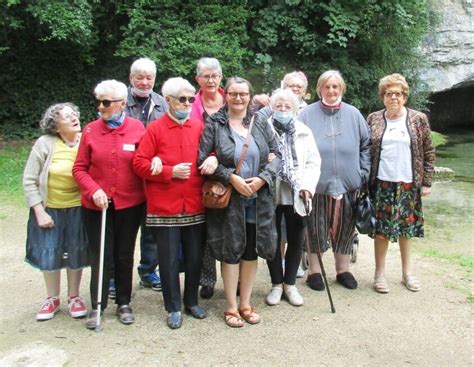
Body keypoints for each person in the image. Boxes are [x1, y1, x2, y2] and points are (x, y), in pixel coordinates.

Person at [198, 77, 280, 328]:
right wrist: (231, 178)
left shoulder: (261, 122)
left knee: (250, 250)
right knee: (230, 251)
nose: (238, 98)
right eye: (233, 93)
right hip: (229, 200)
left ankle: (245, 303)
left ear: (250, 96)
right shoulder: (215, 123)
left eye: (243, 94)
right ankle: (231, 307)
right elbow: (202, 158)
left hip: (257, 198)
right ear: (226, 95)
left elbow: (276, 155)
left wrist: (263, 179)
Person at [133, 77, 214, 329]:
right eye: (182, 98)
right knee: (167, 260)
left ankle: (191, 301)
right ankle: (173, 307)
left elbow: (212, 150)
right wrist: (167, 171)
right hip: (164, 206)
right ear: (167, 100)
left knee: (193, 257)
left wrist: (212, 159)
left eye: (191, 99)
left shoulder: (199, 126)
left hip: (194, 204)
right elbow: (138, 163)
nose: (188, 103)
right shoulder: (155, 128)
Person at [73, 80, 146, 329]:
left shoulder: (137, 128)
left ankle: (124, 302)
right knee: (100, 254)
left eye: (106, 102)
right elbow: (79, 168)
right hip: (97, 206)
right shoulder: (91, 130)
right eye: (99, 102)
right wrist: (93, 190)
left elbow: (144, 162)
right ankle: (97, 305)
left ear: (122, 103)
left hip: (130, 203)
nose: (100, 107)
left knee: (124, 254)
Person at [298, 70, 371, 291]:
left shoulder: (354, 114)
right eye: (327, 87)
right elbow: (297, 147)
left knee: (345, 228)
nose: (331, 91)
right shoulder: (306, 115)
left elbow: (366, 145)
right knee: (315, 228)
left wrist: (363, 172)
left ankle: (343, 270)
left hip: (348, 183)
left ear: (342, 89)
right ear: (319, 89)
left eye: (335, 87)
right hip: (316, 185)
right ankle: (315, 271)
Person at [367, 73, 435, 293]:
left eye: (398, 93)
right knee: (381, 231)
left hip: (408, 183)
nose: (393, 97)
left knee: (406, 230)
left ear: (405, 96)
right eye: (388, 93)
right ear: (382, 96)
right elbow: (366, 151)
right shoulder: (374, 118)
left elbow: (428, 151)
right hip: (382, 183)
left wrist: (426, 182)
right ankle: (379, 275)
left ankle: (407, 273)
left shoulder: (418, 119)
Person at [23, 103, 89, 321]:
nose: (74, 118)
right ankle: (52, 298)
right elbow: (29, 180)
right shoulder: (45, 143)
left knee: (75, 250)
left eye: (74, 115)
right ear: (55, 125)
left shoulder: (85, 140)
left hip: (78, 208)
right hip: (50, 208)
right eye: (66, 116)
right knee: (49, 251)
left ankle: (74, 297)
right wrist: (39, 212)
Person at [264, 89, 321, 307]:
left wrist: (308, 186)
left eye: (288, 106)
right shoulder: (262, 128)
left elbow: (313, 162)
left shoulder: (304, 131)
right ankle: (276, 284)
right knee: (272, 238)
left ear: (295, 109)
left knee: (297, 237)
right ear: (272, 107)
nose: (283, 109)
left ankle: (290, 284)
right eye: (279, 106)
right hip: (271, 191)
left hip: (297, 192)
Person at [126, 57, 168, 293]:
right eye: (139, 77)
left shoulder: (162, 103)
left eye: (148, 77)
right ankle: (115, 275)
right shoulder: (120, 101)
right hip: (125, 175)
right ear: (131, 78)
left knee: (151, 227)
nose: (144, 82)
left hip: (153, 175)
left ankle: (148, 271)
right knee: (124, 228)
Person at [190, 57, 225, 299]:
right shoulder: (189, 102)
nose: (211, 80)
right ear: (198, 79)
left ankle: (234, 279)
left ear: (221, 77)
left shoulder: (233, 98)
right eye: (206, 76)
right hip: (197, 173)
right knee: (204, 230)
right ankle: (207, 279)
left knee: (230, 227)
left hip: (228, 171)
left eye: (215, 76)